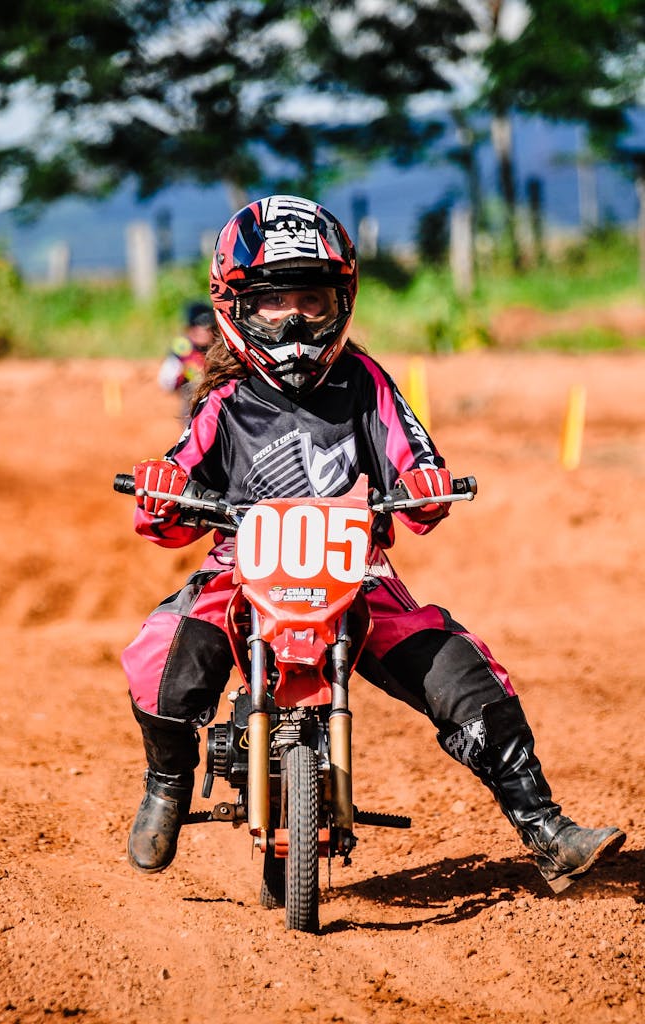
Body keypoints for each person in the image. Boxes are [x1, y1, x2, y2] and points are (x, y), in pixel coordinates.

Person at [122, 194, 625, 893]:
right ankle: (167, 786)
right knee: (162, 649)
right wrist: (161, 489)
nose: (295, 319)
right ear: (232, 306)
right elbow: (168, 502)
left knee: (463, 671)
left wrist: (425, 483)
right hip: (243, 566)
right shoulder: (223, 403)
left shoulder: (365, 383)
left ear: (343, 302)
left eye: (312, 301)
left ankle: (546, 829)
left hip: (357, 571)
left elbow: (415, 463)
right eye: (274, 303)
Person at [157, 300, 216, 421]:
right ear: (189, 329)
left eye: (208, 328)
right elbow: (166, 381)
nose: (204, 332)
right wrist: (181, 373)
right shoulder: (182, 349)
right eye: (199, 327)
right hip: (192, 409)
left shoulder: (219, 348)